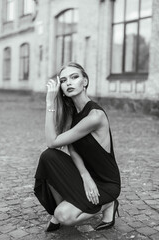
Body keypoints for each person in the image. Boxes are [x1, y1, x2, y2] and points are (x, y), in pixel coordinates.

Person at [34, 62, 121, 232]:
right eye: (64, 80)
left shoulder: (95, 116)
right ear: (62, 88)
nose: (69, 83)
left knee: (64, 215)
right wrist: (85, 176)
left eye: (75, 77)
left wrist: (49, 103)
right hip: (87, 176)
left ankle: (108, 204)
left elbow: (52, 140)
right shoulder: (72, 113)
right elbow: (71, 147)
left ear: (85, 82)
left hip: (106, 182)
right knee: (48, 156)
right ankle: (67, 206)